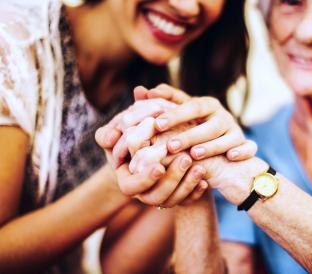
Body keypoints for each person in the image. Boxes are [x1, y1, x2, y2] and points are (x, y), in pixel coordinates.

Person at [99, 0, 312, 273]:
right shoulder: (248, 142)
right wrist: (190, 161)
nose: (308, 32)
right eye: (291, 2)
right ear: (268, 21)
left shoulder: (241, 158)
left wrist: (237, 173)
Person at [0, 0, 252, 273]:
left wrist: (191, 170)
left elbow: (120, 267)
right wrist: (116, 182)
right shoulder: (12, 44)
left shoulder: (154, 92)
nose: (188, 6)